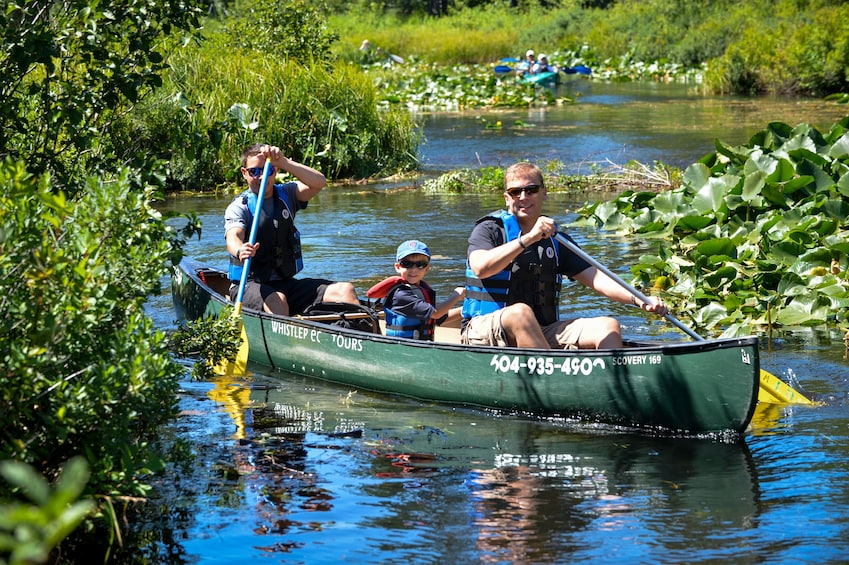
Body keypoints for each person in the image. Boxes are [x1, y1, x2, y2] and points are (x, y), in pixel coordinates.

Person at [460, 161, 668, 350]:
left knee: (608, 326)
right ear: (507, 198)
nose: (523, 197)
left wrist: (639, 299)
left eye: (531, 190)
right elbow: (481, 267)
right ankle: (554, 383)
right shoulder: (489, 229)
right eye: (516, 192)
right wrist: (528, 238)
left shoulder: (557, 241)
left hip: (541, 330)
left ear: (544, 193)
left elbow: (599, 279)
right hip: (483, 330)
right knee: (520, 313)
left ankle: (611, 384)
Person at [224, 143, 359, 315]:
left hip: (285, 283)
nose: (261, 176)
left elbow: (319, 183)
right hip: (249, 284)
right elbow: (233, 236)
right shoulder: (239, 207)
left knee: (345, 290)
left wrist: (284, 162)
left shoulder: (287, 194)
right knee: (278, 301)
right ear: (245, 173)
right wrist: (240, 249)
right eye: (254, 171)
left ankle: (357, 332)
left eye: (268, 170)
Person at [366, 240, 465, 340]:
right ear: (398, 267)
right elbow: (436, 313)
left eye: (420, 264)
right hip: (402, 348)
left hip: (422, 345)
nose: (414, 269)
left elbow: (439, 318)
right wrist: (456, 295)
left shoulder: (422, 290)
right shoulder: (400, 294)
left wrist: (466, 309)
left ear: (427, 268)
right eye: (407, 264)